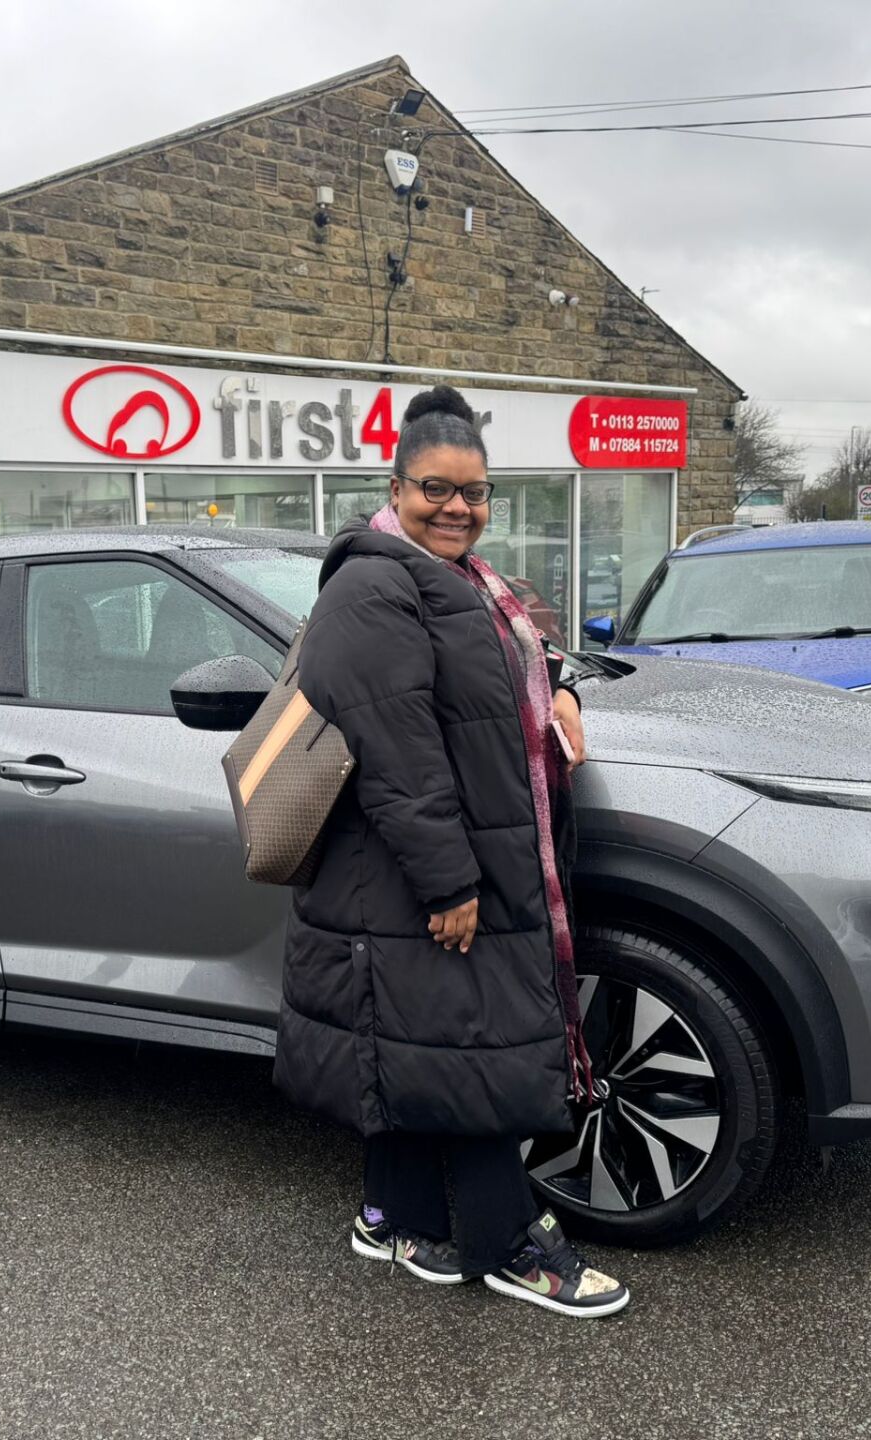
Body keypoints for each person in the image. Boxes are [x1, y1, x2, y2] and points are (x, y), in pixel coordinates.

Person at [272, 385, 629, 1319]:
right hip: (411, 872)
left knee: (415, 1048)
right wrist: (449, 882)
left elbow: (516, 654)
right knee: (472, 1049)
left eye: (475, 492)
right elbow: (399, 752)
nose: (459, 507)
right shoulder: (372, 583)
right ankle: (507, 1246)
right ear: (397, 485)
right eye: (438, 488)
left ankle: (392, 1216)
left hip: (430, 866)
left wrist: (561, 690)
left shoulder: (463, 580)